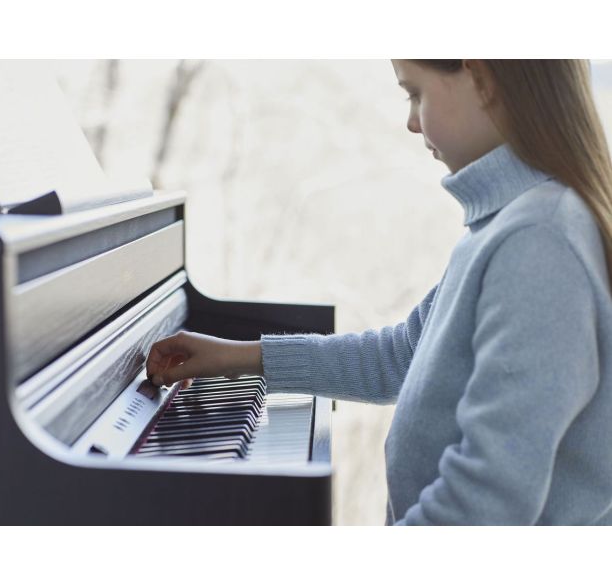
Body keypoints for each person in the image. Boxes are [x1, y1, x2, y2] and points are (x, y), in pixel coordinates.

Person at [146, 60, 612, 525]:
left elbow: (486, 501)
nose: (411, 122)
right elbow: (401, 357)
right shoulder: (504, 225)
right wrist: (237, 358)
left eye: (416, 94)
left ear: (482, 79)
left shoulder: (539, 241)